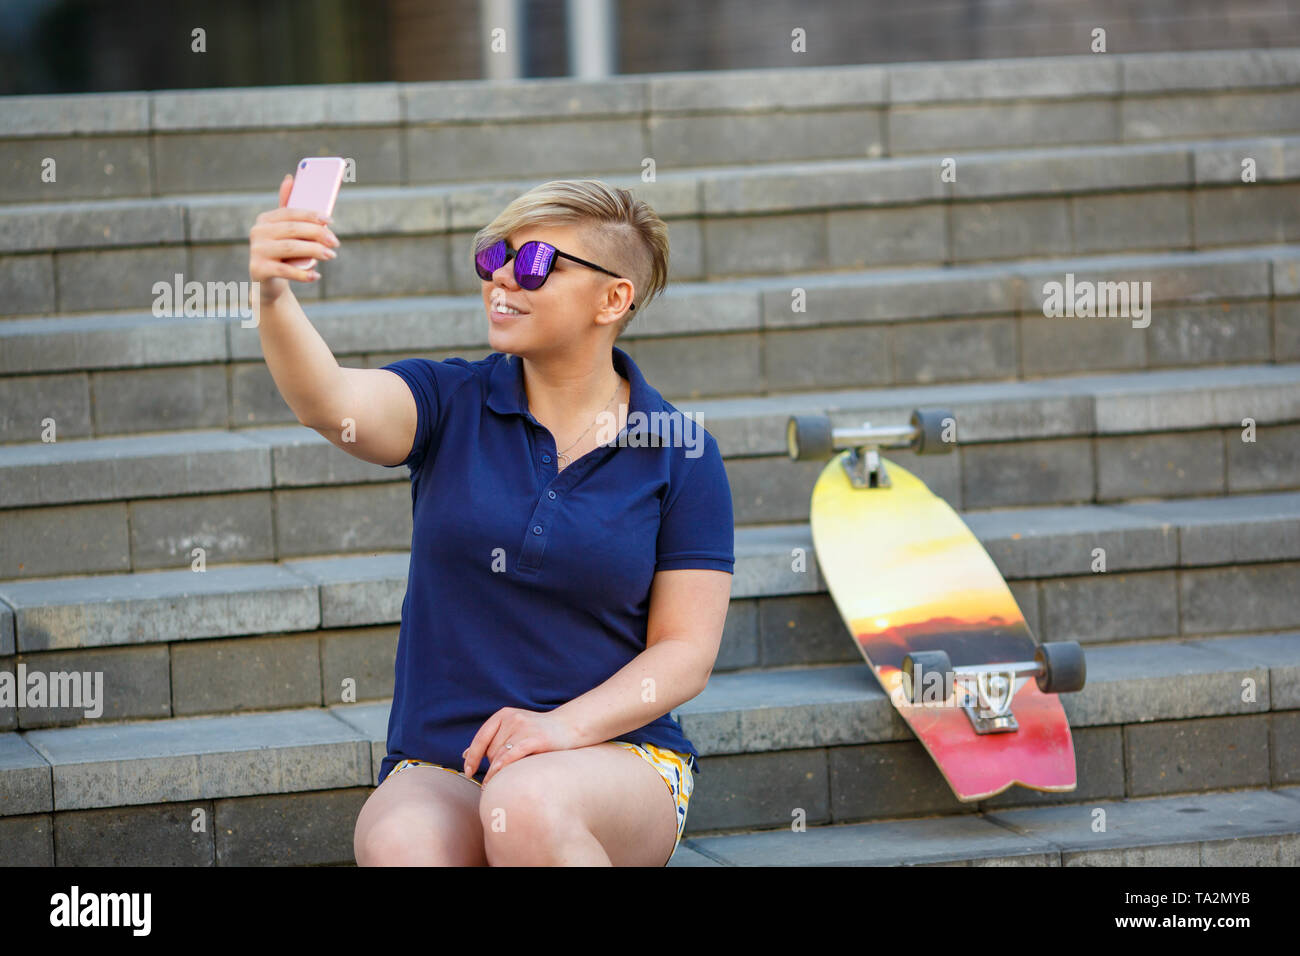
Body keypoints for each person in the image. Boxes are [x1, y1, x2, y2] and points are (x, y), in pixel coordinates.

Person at [248, 177, 735, 866]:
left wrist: (558, 730)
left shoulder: (680, 452)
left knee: (526, 804)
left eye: (536, 262)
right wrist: (272, 293)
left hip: (613, 758)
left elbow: (684, 653)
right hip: (446, 761)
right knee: (398, 843)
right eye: (494, 258)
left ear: (613, 298)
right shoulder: (449, 403)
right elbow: (330, 402)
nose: (504, 278)